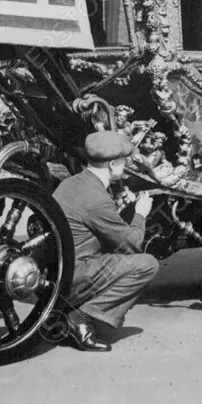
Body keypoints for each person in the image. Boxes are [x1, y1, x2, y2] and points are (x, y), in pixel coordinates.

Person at [52, 131, 159, 351]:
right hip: (73, 277)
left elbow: (91, 224)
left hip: (54, 274)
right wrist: (140, 214)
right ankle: (80, 317)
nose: (126, 165)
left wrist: (118, 208)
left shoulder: (72, 183)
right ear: (113, 164)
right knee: (147, 265)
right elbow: (131, 245)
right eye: (123, 161)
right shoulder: (96, 198)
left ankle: (68, 311)